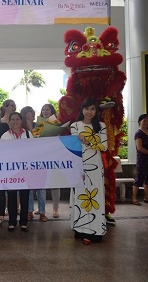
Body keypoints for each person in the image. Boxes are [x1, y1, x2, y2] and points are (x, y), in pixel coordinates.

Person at [70, 98, 107, 245]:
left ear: (96, 111)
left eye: (92, 109)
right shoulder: (75, 126)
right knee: (81, 197)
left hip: (95, 166)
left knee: (95, 197)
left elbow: (104, 146)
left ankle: (95, 232)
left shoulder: (101, 126)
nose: (89, 112)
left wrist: (88, 142)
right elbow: (72, 148)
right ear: (82, 110)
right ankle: (81, 230)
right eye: (87, 108)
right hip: (79, 164)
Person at [1, 112, 33, 232]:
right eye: (12, 119)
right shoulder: (4, 136)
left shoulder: (29, 134)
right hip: (11, 171)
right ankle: (12, 222)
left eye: (17, 119)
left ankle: (24, 222)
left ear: (21, 121)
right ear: (9, 122)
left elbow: (34, 150)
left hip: (25, 170)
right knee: (12, 197)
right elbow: (1, 154)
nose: (15, 122)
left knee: (25, 197)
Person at [33, 103, 61, 219]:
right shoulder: (37, 125)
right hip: (41, 157)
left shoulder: (57, 123)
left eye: (47, 109)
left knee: (55, 184)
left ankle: (55, 208)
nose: (45, 111)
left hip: (54, 157)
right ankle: (41, 208)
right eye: (43, 109)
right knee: (41, 184)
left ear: (52, 111)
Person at [132, 113, 148, 205]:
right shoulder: (138, 133)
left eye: (147, 121)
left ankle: (146, 197)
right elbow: (140, 148)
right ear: (139, 122)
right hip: (142, 159)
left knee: (147, 179)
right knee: (139, 179)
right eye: (144, 121)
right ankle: (134, 198)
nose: (146, 123)